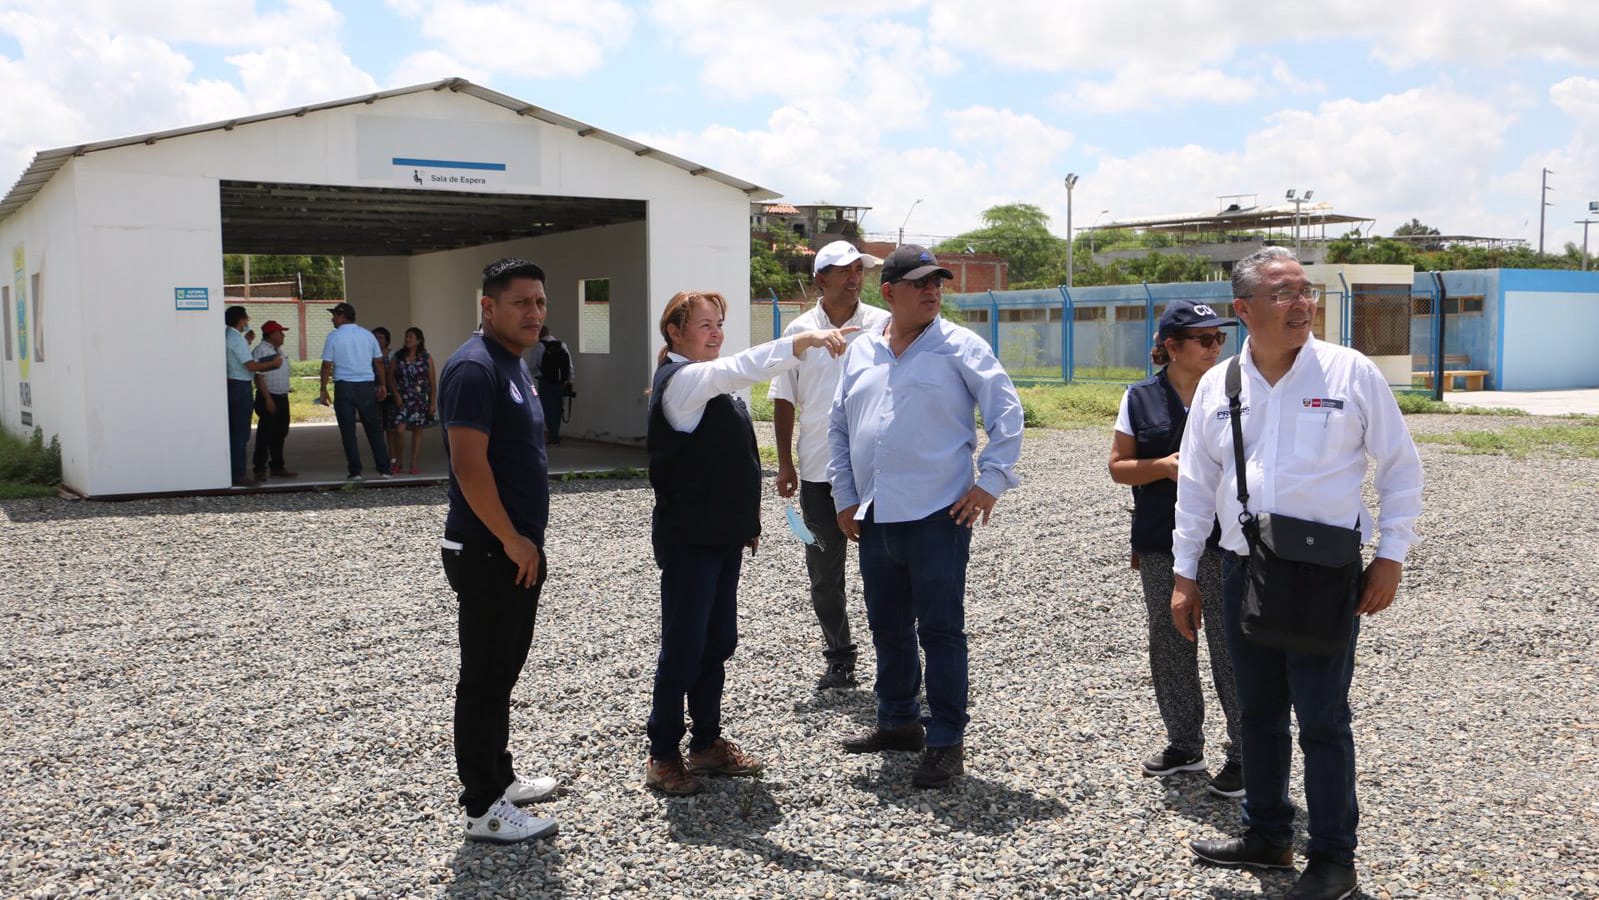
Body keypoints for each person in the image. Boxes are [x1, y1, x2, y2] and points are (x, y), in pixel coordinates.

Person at [1176, 247, 1423, 899]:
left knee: (1319, 718)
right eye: (1283, 293)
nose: (1301, 303)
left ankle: (1334, 858)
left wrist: (1391, 555)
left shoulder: (1348, 372)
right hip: (1242, 568)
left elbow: (1399, 466)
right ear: (1244, 309)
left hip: (1322, 571)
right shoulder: (1219, 383)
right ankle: (1266, 833)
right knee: (1256, 713)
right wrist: (1182, 573)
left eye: (1304, 291)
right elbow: (1197, 482)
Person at [828, 245, 1024, 790]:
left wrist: (991, 482)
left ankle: (945, 741)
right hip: (876, 514)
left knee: (939, 630)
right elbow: (840, 427)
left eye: (938, 281)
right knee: (887, 626)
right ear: (888, 293)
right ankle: (897, 722)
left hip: (939, 514)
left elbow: (1007, 411)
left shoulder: (961, 346)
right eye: (920, 283)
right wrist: (845, 495)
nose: (933, 290)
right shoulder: (862, 351)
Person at [644, 290, 855, 796]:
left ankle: (707, 743)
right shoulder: (685, 380)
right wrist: (799, 341)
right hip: (690, 540)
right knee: (684, 646)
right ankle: (663, 752)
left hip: (721, 538)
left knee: (717, 643)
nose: (716, 333)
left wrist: (747, 524)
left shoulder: (711, 381)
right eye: (704, 325)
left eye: (719, 323)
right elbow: (738, 368)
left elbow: (729, 460)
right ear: (674, 332)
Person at [437, 258, 562, 843]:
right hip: (490, 550)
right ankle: (482, 806)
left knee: (502, 674)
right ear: (488, 307)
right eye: (521, 303)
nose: (534, 313)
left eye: (539, 302)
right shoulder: (474, 367)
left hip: (512, 549)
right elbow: (468, 463)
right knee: (484, 680)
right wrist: (511, 538)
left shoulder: (514, 363)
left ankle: (500, 778)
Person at [1108, 300, 1243, 797]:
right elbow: (1119, 466)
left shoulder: (1238, 390)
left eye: (1218, 339)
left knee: (1231, 647)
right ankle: (1185, 744)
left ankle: (1245, 753)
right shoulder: (1140, 398)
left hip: (1228, 541)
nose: (1214, 347)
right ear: (1169, 346)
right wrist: (1163, 466)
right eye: (1202, 339)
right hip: (1162, 542)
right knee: (1170, 640)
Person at [769, 240, 889, 690]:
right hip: (819, 474)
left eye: (860, 269)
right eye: (844, 270)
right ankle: (839, 657)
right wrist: (785, 464)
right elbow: (784, 399)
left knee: (886, 569)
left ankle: (895, 660)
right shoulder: (799, 332)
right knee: (824, 575)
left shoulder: (882, 325)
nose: (855, 277)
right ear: (821, 278)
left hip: (874, 473)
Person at [318, 302, 392, 482]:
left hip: (344, 386)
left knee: (348, 431)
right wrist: (382, 384)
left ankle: (355, 471)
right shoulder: (367, 336)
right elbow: (379, 362)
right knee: (374, 429)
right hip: (366, 386)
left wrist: (323, 389)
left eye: (334, 315)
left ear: (342, 316)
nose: (332, 319)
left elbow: (327, 364)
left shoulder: (333, 337)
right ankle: (384, 469)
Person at [223, 305, 281, 488]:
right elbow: (250, 366)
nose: (248, 321)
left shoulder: (229, 337)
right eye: (246, 318)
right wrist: (273, 362)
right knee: (241, 434)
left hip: (233, 385)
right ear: (241, 319)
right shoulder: (235, 338)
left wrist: (247, 342)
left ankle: (233, 471)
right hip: (240, 386)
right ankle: (239, 474)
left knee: (234, 432)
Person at [251, 320, 297, 480]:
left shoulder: (278, 350)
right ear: (271, 335)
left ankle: (277, 466)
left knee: (280, 433)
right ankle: (259, 468)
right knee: (265, 434)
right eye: (280, 332)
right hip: (269, 397)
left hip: (282, 397)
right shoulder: (262, 351)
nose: (283, 335)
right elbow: (258, 377)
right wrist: (268, 399)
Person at [392, 327, 437, 474]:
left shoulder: (426, 358)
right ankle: (398, 461)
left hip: (419, 399)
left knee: (417, 431)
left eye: (411, 337)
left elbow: (432, 382)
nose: (407, 340)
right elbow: (390, 377)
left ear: (418, 340)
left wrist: (432, 403)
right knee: (399, 430)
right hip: (403, 399)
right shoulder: (398, 357)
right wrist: (396, 394)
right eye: (406, 337)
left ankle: (413, 464)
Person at [533, 325, 572, 446]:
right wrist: (570, 379)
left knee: (547, 408)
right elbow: (569, 364)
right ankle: (555, 435)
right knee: (557, 408)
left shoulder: (540, 346)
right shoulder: (562, 345)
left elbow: (532, 366)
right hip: (560, 382)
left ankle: (552, 435)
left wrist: (537, 376)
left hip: (546, 382)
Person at [374, 326, 402, 472]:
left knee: (392, 430)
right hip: (375, 396)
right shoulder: (369, 355)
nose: (378, 340)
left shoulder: (393, 355)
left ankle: (393, 458)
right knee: (377, 430)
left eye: (381, 338)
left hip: (390, 396)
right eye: (376, 337)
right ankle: (381, 460)